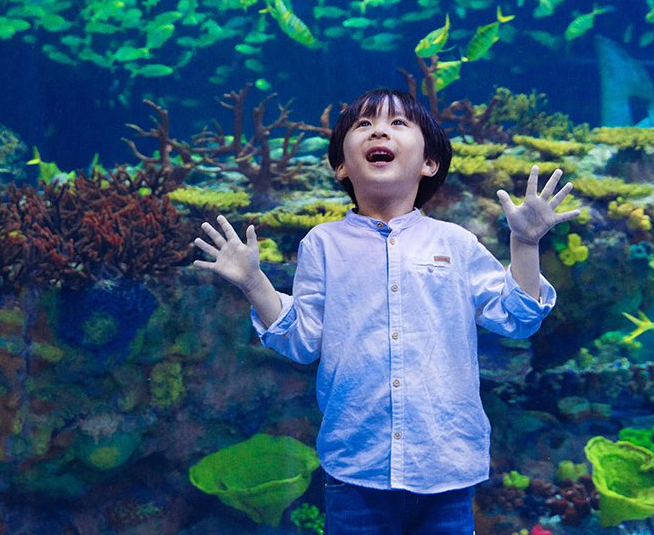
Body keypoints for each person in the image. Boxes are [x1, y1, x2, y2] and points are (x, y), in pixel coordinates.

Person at [193, 88, 579, 535]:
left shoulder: (454, 243)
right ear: (341, 165)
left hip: (446, 469)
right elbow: (302, 341)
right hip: (356, 468)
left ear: (429, 163)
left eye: (398, 124)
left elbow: (519, 317)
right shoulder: (322, 244)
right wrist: (254, 282)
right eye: (363, 125)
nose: (379, 129)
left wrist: (526, 244)